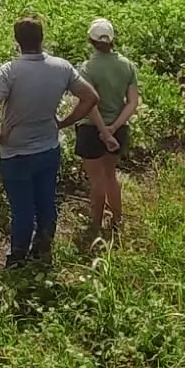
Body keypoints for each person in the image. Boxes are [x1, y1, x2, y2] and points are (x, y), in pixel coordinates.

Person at [0, 17, 113, 266]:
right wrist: (64, 121)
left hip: (16, 153)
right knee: (46, 201)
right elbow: (90, 97)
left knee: (22, 209)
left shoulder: (9, 71)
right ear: (42, 38)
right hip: (48, 148)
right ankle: (43, 250)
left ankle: (18, 258)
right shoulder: (61, 67)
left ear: (17, 41)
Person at [77, 18, 140, 237]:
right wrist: (114, 128)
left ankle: (95, 225)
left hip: (91, 129)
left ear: (90, 41)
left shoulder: (87, 68)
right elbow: (132, 102)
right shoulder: (127, 66)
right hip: (119, 129)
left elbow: (89, 103)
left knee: (97, 179)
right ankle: (117, 220)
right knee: (110, 175)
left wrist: (103, 131)